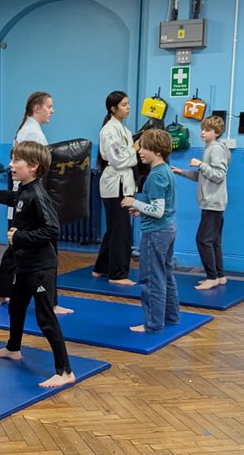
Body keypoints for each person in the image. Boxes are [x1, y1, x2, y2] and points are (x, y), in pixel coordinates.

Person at [0, 140, 75, 389]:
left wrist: (18, 237)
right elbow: (13, 199)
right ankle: (13, 349)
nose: (10, 165)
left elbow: (52, 230)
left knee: (45, 318)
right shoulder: (24, 189)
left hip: (40, 268)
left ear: (33, 166)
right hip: (24, 264)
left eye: (15, 161)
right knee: (16, 307)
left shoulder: (39, 196)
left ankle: (65, 371)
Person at [0, 92, 73, 315]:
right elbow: (34, 167)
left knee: (15, 243)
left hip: (27, 195)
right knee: (30, 243)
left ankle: (2, 292)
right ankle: (51, 303)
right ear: (37, 108)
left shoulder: (31, 130)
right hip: (28, 197)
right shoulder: (31, 132)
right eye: (49, 106)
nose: (52, 110)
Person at [121, 129, 180, 332]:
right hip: (167, 228)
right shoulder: (165, 170)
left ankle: (153, 324)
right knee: (165, 273)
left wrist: (134, 202)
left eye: (145, 147)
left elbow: (157, 210)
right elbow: (160, 206)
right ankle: (171, 317)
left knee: (151, 278)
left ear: (158, 151)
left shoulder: (155, 176)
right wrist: (140, 209)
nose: (140, 151)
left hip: (155, 233)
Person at [174, 113, 230, 289]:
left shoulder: (216, 149)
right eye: (202, 129)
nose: (203, 133)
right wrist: (182, 172)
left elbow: (219, 175)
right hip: (212, 202)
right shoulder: (209, 149)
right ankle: (219, 276)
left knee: (203, 240)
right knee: (213, 241)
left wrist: (200, 164)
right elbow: (203, 176)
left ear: (217, 132)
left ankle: (211, 277)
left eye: (207, 130)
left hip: (213, 202)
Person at [93, 90, 137, 285]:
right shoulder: (109, 130)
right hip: (114, 184)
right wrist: (135, 149)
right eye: (124, 104)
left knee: (114, 229)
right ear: (113, 108)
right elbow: (118, 160)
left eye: (128, 104)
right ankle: (118, 274)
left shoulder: (124, 130)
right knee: (121, 230)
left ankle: (101, 268)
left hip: (123, 182)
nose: (128, 108)